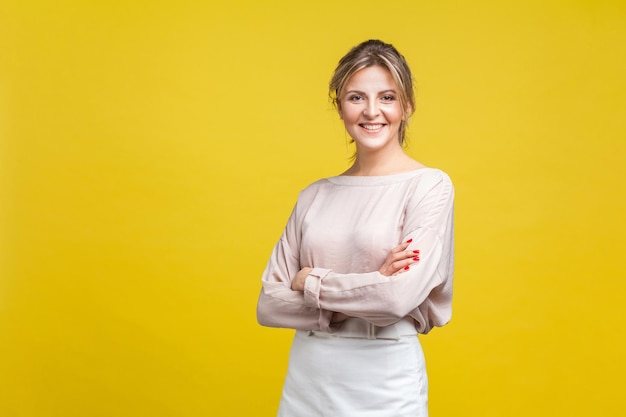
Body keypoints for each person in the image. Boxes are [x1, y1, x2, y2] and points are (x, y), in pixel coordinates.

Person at [256, 39, 454, 417]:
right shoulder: (314, 195)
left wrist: (309, 280)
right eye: (356, 97)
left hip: (385, 378)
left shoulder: (429, 186)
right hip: (308, 379)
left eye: (387, 97)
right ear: (340, 107)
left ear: (407, 106)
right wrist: (373, 281)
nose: (372, 111)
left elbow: (396, 300)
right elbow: (268, 304)